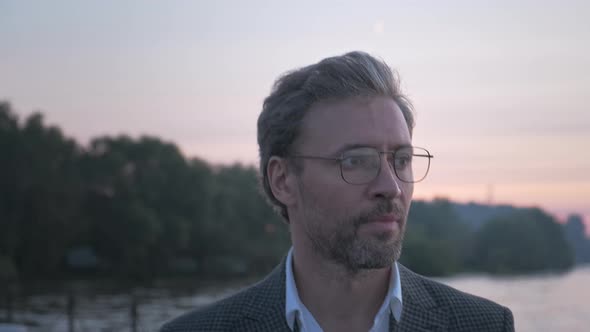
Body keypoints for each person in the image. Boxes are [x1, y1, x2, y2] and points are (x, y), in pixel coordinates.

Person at [161, 51, 514, 332]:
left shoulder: (482, 325)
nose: (390, 187)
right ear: (283, 181)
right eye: (356, 161)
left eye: (402, 160)